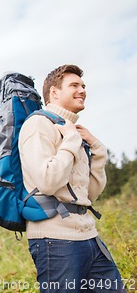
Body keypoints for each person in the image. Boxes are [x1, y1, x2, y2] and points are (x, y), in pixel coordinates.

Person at [19, 65, 126, 293]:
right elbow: (47, 181)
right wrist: (70, 140)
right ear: (54, 93)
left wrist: (97, 148)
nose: (82, 90)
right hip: (55, 241)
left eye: (83, 86)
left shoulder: (72, 131)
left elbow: (89, 194)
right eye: (74, 85)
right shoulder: (38, 125)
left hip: (89, 235)